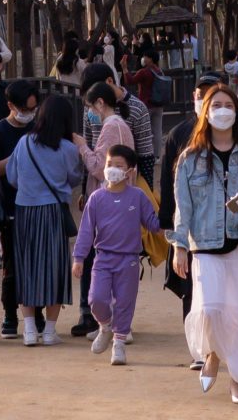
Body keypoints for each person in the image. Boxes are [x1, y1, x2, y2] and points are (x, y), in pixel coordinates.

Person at [169, 85, 238, 405]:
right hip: (204, 245)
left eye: (227, 105)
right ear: (205, 111)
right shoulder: (190, 158)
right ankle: (213, 353)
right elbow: (183, 206)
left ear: (237, 111)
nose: (221, 110)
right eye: (215, 105)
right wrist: (179, 246)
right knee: (210, 308)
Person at [0, 94, 85, 346]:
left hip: (24, 211)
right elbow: (74, 178)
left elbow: (12, 176)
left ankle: (30, 330)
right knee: (55, 268)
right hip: (53, 211)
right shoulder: (67, 148)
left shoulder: (23, 143)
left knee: (27, 266)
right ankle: (50, 331)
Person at [73, 144, 161, 365]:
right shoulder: (96, 198)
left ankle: (119, 343)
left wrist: (169, 222)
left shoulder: (138, 196)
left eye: (119, 166)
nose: (112, 169)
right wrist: (79, 258)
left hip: (129, 259)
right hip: (103, 258)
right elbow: (85, 230)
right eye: (110, 164)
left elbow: (152, 223)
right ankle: (105, 326)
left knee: (124, 302)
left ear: (130, 171)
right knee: (96, 299)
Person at [161, 73, 226, 335]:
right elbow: (168, 180)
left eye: (212, 96)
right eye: (201, 96)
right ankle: (197, 343)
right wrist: (167, 219)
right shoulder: (179, 134)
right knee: (190, 285)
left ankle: (221, 340)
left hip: (222, 224)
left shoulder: (233, 134)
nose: (205, 101)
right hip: (189, 223)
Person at [0, 79, 41, 338]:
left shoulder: (39, 128)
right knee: (12, 264)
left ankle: (37, 311)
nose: (29, 113)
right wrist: (18, 156)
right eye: (25, 109)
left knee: (37, 262)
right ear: (10, 106)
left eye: (33, 108)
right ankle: (10, 314)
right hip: (10, 205)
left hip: (39, 204)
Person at [124, 49, 168, 168]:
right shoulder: (160, 71)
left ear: (150, 59)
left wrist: (124, 68)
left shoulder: (144, 72)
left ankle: (144, 154)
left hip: (145, 105)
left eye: (145, 56)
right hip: (158, 105)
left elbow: (130, 80)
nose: (143, 58)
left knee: (144, 131)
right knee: (157, 131)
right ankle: (157, 156)